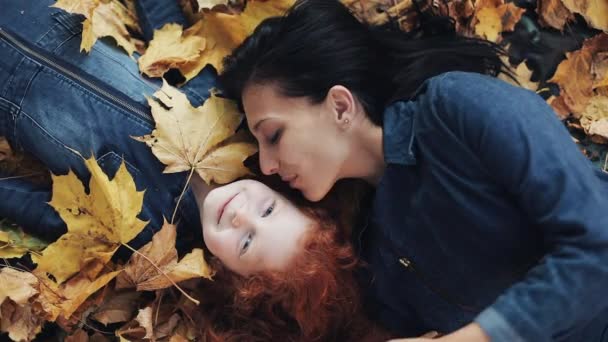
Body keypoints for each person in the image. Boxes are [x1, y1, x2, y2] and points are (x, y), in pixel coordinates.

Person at [218, 0, 608, 341]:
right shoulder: (373, 251)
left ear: (340, 106)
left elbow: (598, 243)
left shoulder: (456, 110)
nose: (266, 164)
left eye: (273, 135)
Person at [0, 1, 391, 341]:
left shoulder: (146, 233)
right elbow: (171, 41)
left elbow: (47, 208)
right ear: (290, 199)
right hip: (47, 17)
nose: (242, 215)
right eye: (268, 212)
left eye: (246, 243)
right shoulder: (225, 118)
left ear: (231, 277)